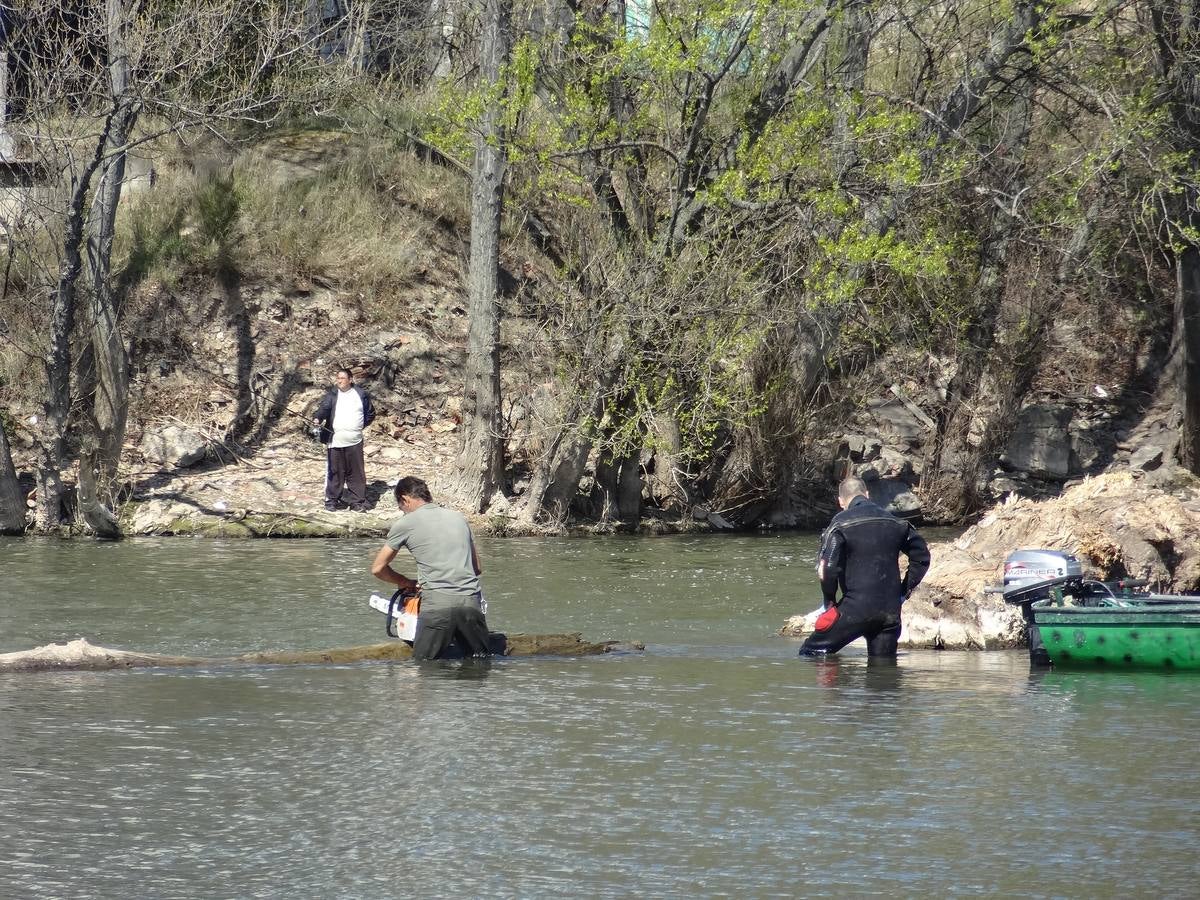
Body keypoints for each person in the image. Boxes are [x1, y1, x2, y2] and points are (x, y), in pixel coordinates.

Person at [799, 476, 931, 658]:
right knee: (883, 674)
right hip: (890, 613)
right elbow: (922, 557)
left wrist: (829, 602)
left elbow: (827, 568)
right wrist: (902, 592)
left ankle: (834, 685)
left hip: (855, 608)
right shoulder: (896, 522)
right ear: (867, 495)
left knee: (810, 654)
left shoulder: (839, 523)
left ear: (840, 502)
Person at [370, 476, 492, 660]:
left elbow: (378, 568)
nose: (403, 512)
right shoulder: (458, 518)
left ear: (405, 499)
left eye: (401, 507)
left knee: (425, 670)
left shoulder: (406, 523)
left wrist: (405, 582)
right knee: (479, 666)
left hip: (437, 608)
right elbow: (477, 569)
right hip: (471, 605)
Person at [313, 368, 375, 512]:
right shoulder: (333, 394)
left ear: (350, 379)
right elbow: (324, 408)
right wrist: (318, 418)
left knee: (356, 473)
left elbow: (370, 413)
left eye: (342, 378)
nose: (339, 381)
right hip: (335, 440)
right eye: (338, 378)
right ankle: (332, 500)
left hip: (355, 440)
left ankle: (357, 501)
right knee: (335, 471)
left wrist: (360, 425)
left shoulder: (361, 394)